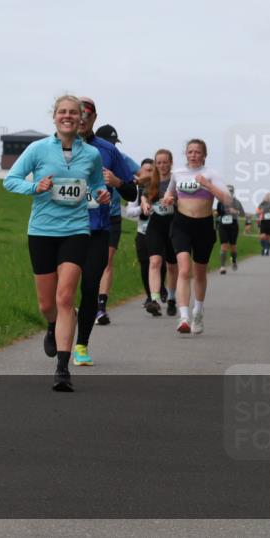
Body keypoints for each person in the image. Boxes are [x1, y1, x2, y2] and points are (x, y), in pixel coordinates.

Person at [3, 94, 108, 391]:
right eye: (62, 112)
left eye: (73, 113)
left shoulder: (91, 155)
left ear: (81, 119)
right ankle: (52, 325)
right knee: (46, 303)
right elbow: (10, 180)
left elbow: (98, 186)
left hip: (76, 230)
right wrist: (37, 186)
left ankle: (62, 369)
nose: (68, 116)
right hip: (41, 232)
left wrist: (101, 195)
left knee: (65, 298)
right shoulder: (37, 149)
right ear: (54, 117)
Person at [70, 102, 135, 365]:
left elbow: (132, 191)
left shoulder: (108, 151)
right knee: (61, 291)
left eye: (87, 115)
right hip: (61, 229)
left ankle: (81, 345)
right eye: (77, 114)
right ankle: (54, 326)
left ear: (94, 117)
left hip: (96, 230)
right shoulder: (53, 148)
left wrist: (117, 182)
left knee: (88, 288)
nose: (82, 119)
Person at [163, 139, 231, 335]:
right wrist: (168, 199)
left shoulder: (211, 174)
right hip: (181, 224)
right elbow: (169, 196)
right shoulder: (177, 173)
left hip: (204, 226)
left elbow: (226, 199)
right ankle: (184, 316)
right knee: (184, 269)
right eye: (190, 151)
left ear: (204, 155)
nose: (193, 155)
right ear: (186, 154)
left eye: (197, 152)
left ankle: (198, 312)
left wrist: (208, 185)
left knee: (199, 274)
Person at [93, 123, 141, 326]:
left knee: (107, 260)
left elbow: (144, 174)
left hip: (111, 217)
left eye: (114, 143)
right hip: (83, 216)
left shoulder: (118, 157)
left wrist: (122, 181)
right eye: (109, 143)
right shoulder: (87, 154)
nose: (112, 146)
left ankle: (101, 307)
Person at [141, 149, 179, 317]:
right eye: (159, 162)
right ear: (155, 164)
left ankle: (171, 298)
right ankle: (154, 300)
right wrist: (145, 204)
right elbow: (143, 196)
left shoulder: (176, 180)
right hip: (155, 225)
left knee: (172, 266)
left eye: (165, 162)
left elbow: (186, 199)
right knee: (155, 261)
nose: (162, 165)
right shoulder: (151, 181)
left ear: (171, 163)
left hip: (174, 225)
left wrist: (175, 201)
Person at [125, 159, 167, 302]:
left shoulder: (161, 187)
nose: (148, 173)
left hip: (160, 232)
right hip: (142, 232)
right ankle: (150, 297)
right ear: (140, 172)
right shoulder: (137, 190)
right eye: (145, 170)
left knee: (160, 263)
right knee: (145, 265)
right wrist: (142, 208)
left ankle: (161, 287)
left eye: (151, 170)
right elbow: (129, 212)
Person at [216, 185, 244, 273]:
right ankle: (222, 266)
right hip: (223, 225)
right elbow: (218, 213)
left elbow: (242, 214)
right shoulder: (220, 202)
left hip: (233, 225)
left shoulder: (237, 202)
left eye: (230, 192)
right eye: (227, 191)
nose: (228, 193)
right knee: (224, 246)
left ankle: (234, 261)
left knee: (233, 247)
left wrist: (236, 212)